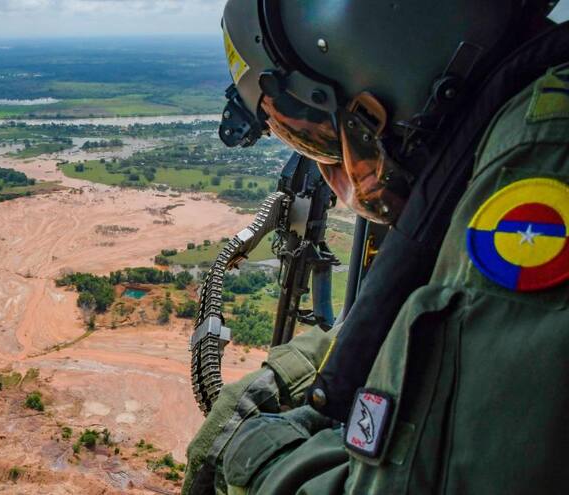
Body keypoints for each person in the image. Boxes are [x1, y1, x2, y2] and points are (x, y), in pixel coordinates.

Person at [184, 1, 569, 493]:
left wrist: (260, 463)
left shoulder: (541, 156)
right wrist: (291, 377)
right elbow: (437, 332)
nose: (339, 174)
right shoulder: (499, 139)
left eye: (334, 141)